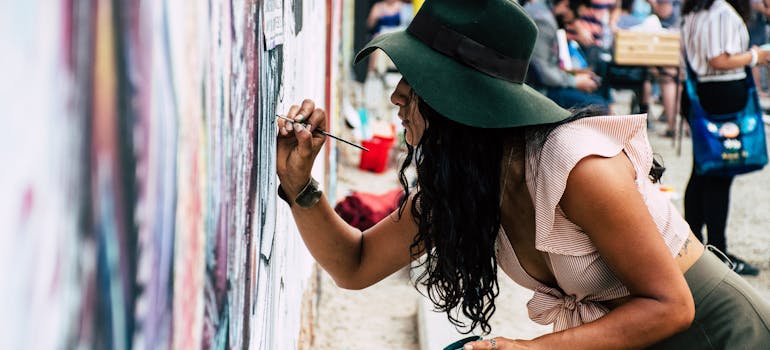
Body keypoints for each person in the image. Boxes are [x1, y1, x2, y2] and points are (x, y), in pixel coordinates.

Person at [277, 0, 770, 348]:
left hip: (717, 333)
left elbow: (672, 307)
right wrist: (301, 186)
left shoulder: (576, 165)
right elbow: (356, 265)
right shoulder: (469, 181)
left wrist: (528, 348)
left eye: (417, 80)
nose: (396, 97)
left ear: (461, 99)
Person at [682, 0, 770, 275]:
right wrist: (756, 56)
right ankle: (717, 252)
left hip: (700, 92)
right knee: (720, 174)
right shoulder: (720, 11)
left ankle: (693, 246)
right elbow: (718, 60)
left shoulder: (694, 11)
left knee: (702, 172)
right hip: (721, 94)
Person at [525, 0, 611, 112]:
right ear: (565, 4)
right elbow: (543, 72)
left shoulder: (543, 11)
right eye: (576, 15)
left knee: (598, 91)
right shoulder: (544, 21)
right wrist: (575, 81)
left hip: (542, 85)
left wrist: (577, 74)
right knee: (600, 106)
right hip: (538, 90)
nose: (575, 21)